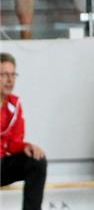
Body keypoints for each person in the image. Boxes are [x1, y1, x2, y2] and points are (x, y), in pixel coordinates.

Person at [0, 52, 47, 209]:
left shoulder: (15, 104)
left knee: (37, 161)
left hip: (2, 164)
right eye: (4, 75)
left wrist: (26, 146)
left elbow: (14, 143)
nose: (10, 80)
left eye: (13, 75)